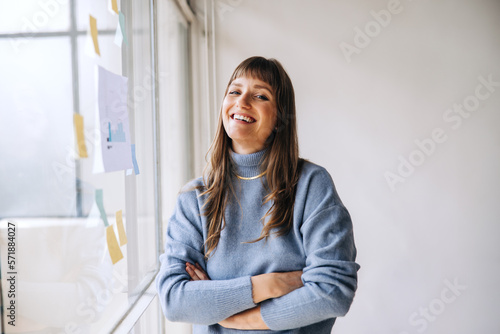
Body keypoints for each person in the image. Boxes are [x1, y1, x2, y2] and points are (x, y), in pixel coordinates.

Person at [156, 56, 360, 333]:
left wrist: (230, 316)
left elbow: (333, 292)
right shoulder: (195, 198)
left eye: (260, 96)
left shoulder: (311, 185)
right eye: (234, 91)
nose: (242, 102)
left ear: (279, 117)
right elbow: (174, 300)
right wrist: (270, 285)